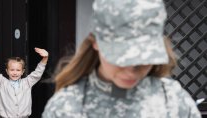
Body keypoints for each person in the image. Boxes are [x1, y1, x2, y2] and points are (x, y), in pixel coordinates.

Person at [42, 0, 201, 117]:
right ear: (95, 43)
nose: (132, 70)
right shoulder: (66, 108)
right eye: (121, 58)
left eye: (143, 57)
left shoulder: (175, 102)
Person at [0, 44, 48, 118]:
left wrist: (45, 58)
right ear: (7, 71)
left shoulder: (27, 82)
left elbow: (37, 73)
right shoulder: (2, 82)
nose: (15, 73)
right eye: (12, 70)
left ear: (22, 72)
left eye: (18, 70)